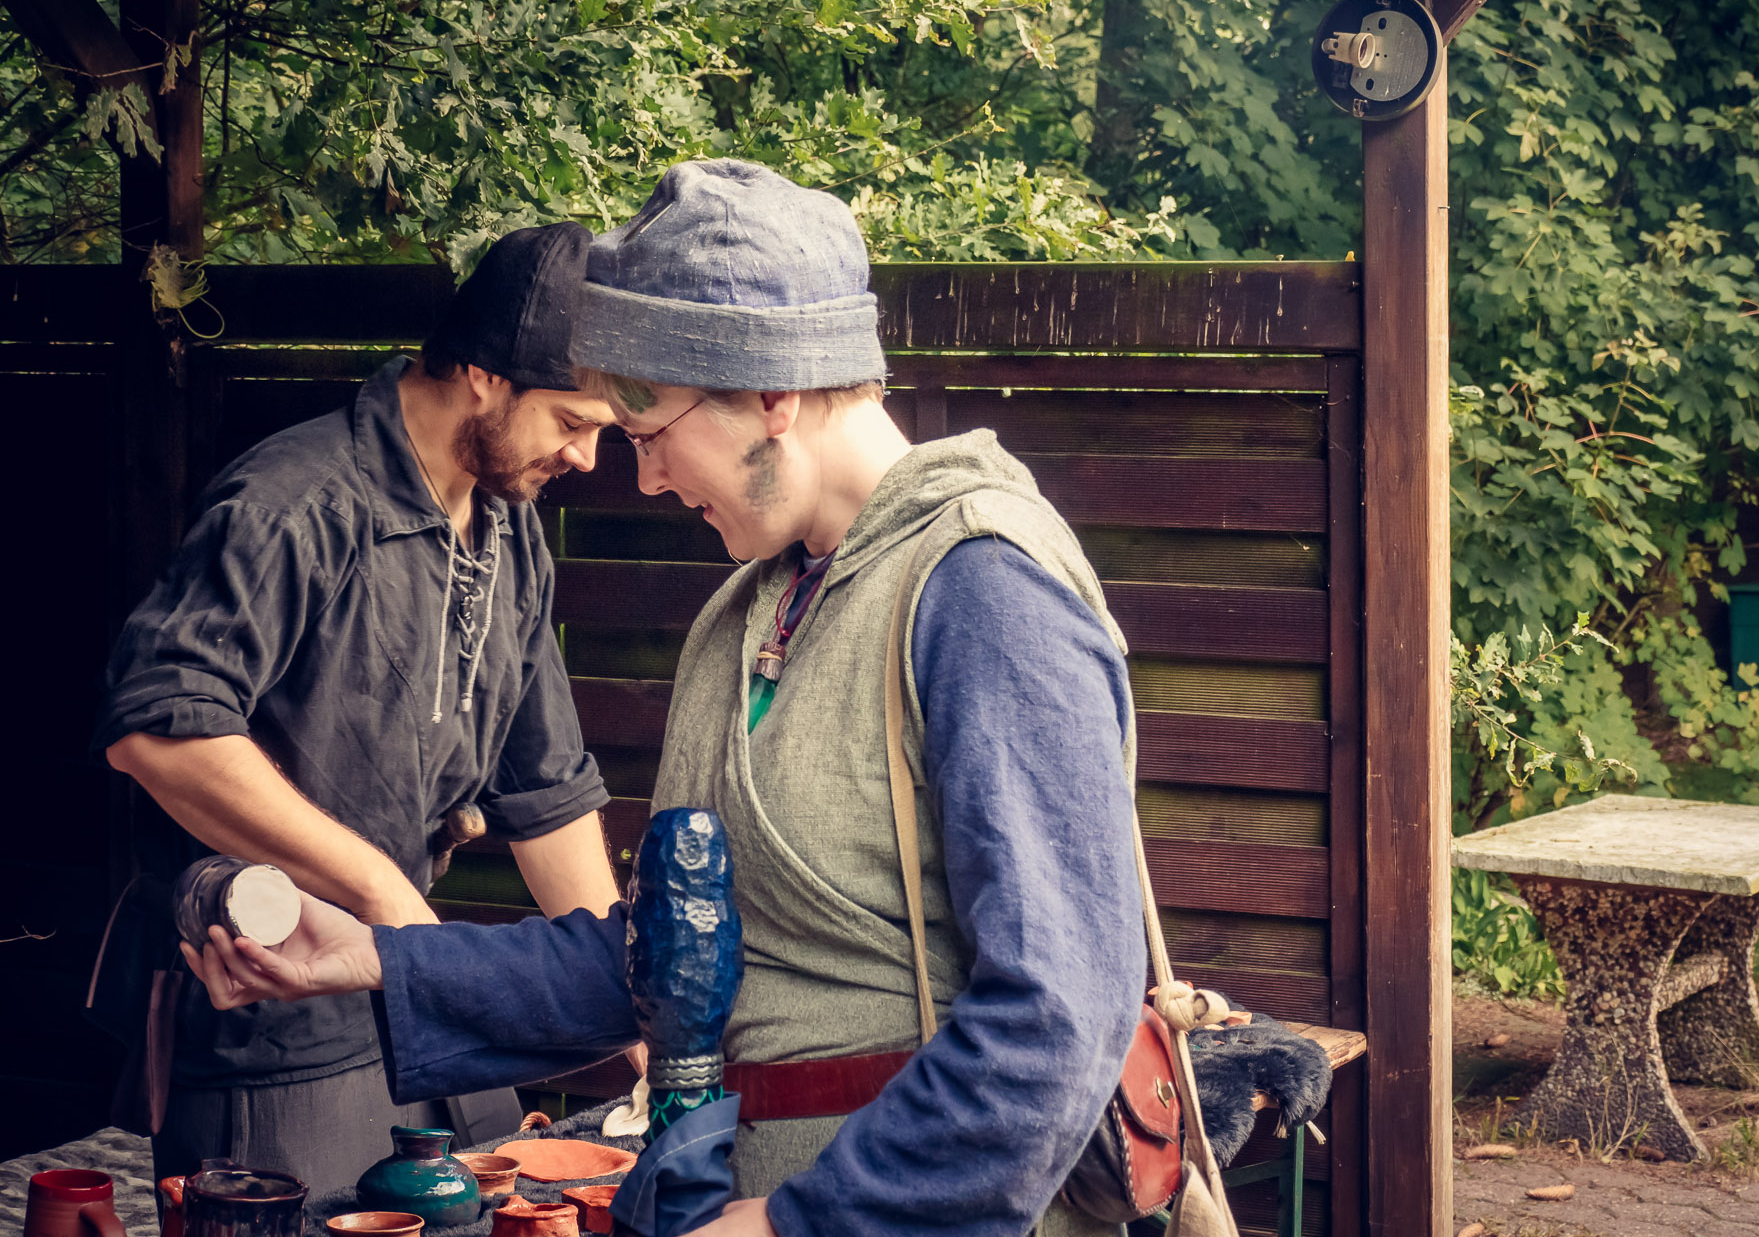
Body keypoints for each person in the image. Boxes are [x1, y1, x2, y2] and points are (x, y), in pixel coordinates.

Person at [181, 161, 1146, 1237]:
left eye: (649, 433)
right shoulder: (745, 614)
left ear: (772, 394)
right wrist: (372, 956)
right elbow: (664, 956)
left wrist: (796, 1224)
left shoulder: (984, 592)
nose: (641, 479)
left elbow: (1058, 1019)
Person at [93, 222, 636, 1194]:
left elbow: (548, 793)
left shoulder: (511, 530)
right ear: (484, 376)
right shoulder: (293, 502)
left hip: (427, 1000)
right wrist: (384, 895)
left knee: (513, 1203)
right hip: (275, 1026)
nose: (588, 458)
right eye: (571, 421)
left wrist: (638, 1014)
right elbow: (158, 732)